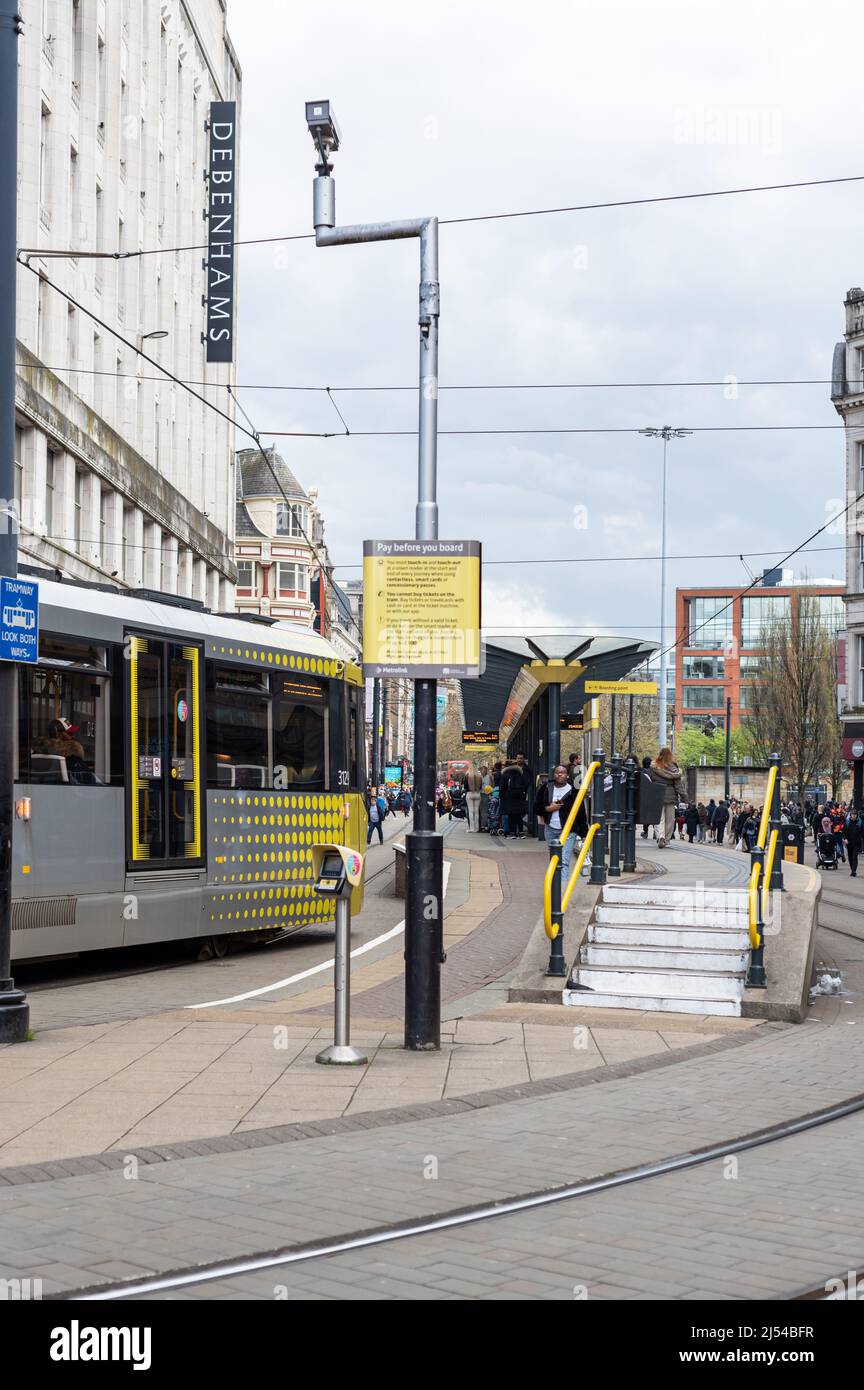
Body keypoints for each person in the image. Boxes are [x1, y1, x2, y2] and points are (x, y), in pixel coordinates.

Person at [535, 764, 588, 889]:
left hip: (569, 831)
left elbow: (581, 813)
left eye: (562, 772)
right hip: (550, 829)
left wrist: (584, 834)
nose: (560, 774)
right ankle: (554, 887)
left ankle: (561, 890)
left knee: (564, 860)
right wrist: (549, 808)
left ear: (567, 775)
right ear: (554, 775)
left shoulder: (574, 792)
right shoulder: (546, 788)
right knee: (554, 859)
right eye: (557, 772)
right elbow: (536, 807)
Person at [649, 747, 683, 848]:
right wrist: (684, 797)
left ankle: (660, 836)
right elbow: (678, 786)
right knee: (670, 820)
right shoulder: (674, 768)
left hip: (657, 794)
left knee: (659, 818)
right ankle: (667, 840)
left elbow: (650, 780)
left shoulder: (654, 767)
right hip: (671, 796)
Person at [500, 756, 531, 838]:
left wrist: (502, 797)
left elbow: (502, 788)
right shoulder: (521, 775)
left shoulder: (505, 775)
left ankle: (512, 833)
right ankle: (520, 832)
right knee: (518, 816)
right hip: (520, 798)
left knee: (511, 816)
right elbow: (526, 785)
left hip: (509, 798)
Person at [639, 755, 657, 840]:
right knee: (654, 814)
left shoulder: (642, 771)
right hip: (653, 795)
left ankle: (645, 832)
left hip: (644, 796)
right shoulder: (654, 771)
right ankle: (655, 831)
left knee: (646, 815)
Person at [463, 763, 484, 832]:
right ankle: (477, 828)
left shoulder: (467, 776)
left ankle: (471, 828)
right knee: (477, 811)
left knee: (471, 812)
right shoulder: (479, 776)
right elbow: (481, 787)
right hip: (477, 794)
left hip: (469, 794)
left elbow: (465, 787)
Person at [845, 807, 863, 878]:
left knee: (854, 856)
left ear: (857, 815)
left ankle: (854, 871)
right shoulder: (847, 822)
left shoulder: (860, 823)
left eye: (855, 814)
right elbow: (844, 832)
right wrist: (845, 838)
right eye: (853, 814)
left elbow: (862, 833)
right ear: (850, 815)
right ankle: (852, 869)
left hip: (857, 843)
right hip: (849, 843)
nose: (854, 816)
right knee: (850, 857)